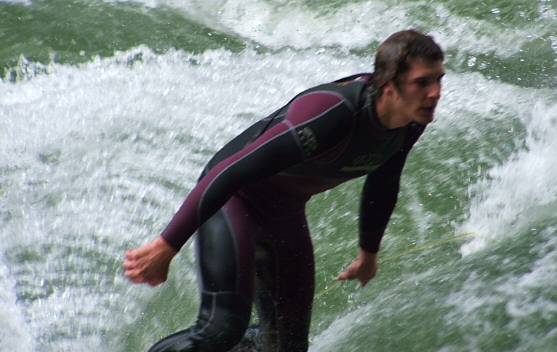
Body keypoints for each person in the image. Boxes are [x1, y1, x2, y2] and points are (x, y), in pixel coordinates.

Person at [123, 29, 445, 352]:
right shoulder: (332, 113)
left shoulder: (410, 120)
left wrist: (368, 254)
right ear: (388, 86)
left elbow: (385, 177)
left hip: (285, 213)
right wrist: (166, 245)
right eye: (422, 82)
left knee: (288, 346)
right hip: (234, 200)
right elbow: (230, 171)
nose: (434, 93)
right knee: (220, 330)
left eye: (438, 80)